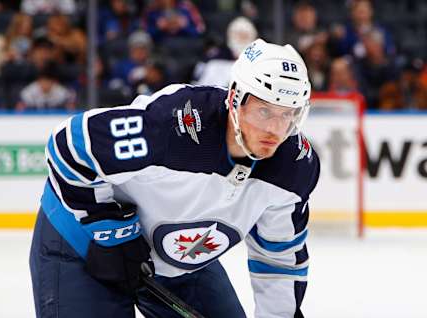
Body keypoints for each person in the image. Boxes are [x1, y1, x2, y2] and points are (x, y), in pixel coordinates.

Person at [29, 38, 320, 318]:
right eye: (264, 111)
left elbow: (278, 258)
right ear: (235, 99)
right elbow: (69, 145)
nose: (275, 130)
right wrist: (114, 234)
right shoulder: (174, 125)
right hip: (82, 247)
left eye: (289, 115)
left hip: (180, 263)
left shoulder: (293, 168)